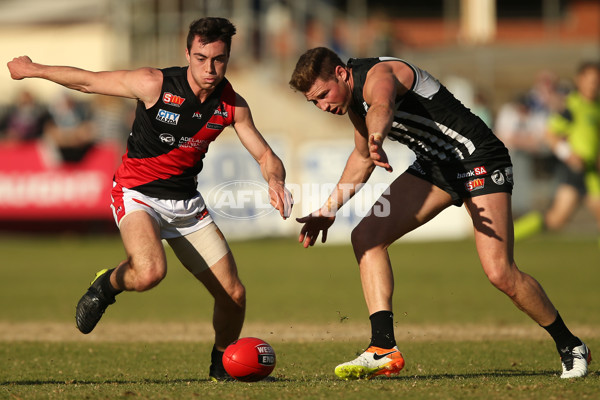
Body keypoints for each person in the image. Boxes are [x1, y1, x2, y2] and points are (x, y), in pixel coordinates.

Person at [7, 17, 293, 381]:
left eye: (218, 59)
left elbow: (266, 156)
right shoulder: (154, 83)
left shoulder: (232, 105)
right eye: (201, 57)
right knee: (149, 273)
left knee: (234, 294)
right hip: (136, 195)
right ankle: (106, 284)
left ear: (228, 57)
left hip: (186, 206)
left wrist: (276, 181)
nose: (209, 68)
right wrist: (33, 70)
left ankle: (221, 364)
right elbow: (89, 81)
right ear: (187, 52)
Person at [288, 47, 591, 380]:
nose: (322, 105)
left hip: (478, 159)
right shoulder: (351, 102)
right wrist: (328, 209)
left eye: (323, 95)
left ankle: (571, 345)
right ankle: (382, 348)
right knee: (366, 237)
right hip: (435, 167)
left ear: (342, 74)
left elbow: (382, 105)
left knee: (500, 273)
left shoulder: (379, 76)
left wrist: (376, 135)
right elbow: (361, 159)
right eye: (313, 102)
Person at [514, 62, 600, 242]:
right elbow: (550, 133)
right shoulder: (572, 106)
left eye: (597, 80)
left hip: (592, 173)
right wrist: (567, 154)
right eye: (590, 80)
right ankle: (510, 234)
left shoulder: (596, 107)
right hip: (576, 171)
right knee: (555, 220)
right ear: (580, 80)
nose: (594, 84)